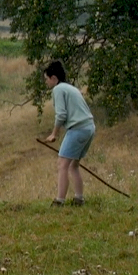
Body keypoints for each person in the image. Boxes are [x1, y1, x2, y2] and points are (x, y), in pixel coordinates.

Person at [40, 60, 94, 206]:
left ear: (54, 78)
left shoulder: (58, 90)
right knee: (73, 165)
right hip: (89, 127)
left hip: (78, 129)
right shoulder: (69, 88)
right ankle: (79, 199)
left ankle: (60, 200)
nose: (46, 82)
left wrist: (54, 134)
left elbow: (61, 114)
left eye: (46, 79)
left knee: (62, 164)